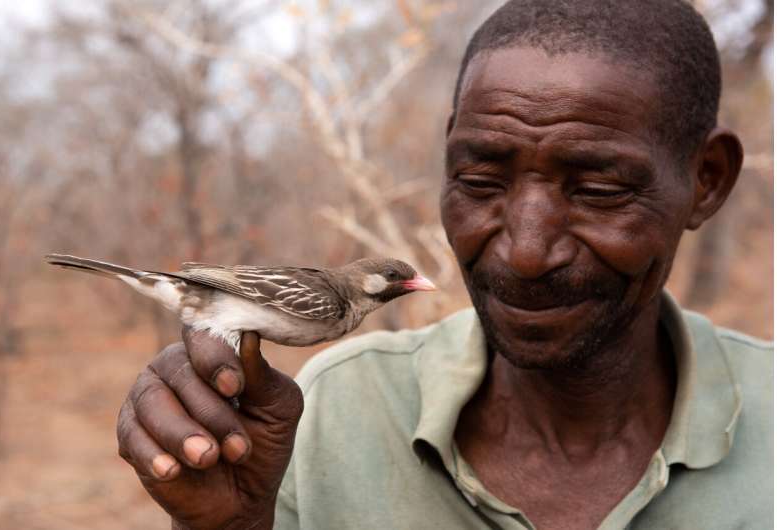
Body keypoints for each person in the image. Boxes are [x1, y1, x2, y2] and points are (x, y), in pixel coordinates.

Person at [114, 1, 773, 528]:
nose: (526, 250)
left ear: (706, 181)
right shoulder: (327, 414)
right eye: (482, 180)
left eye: (598, 189)